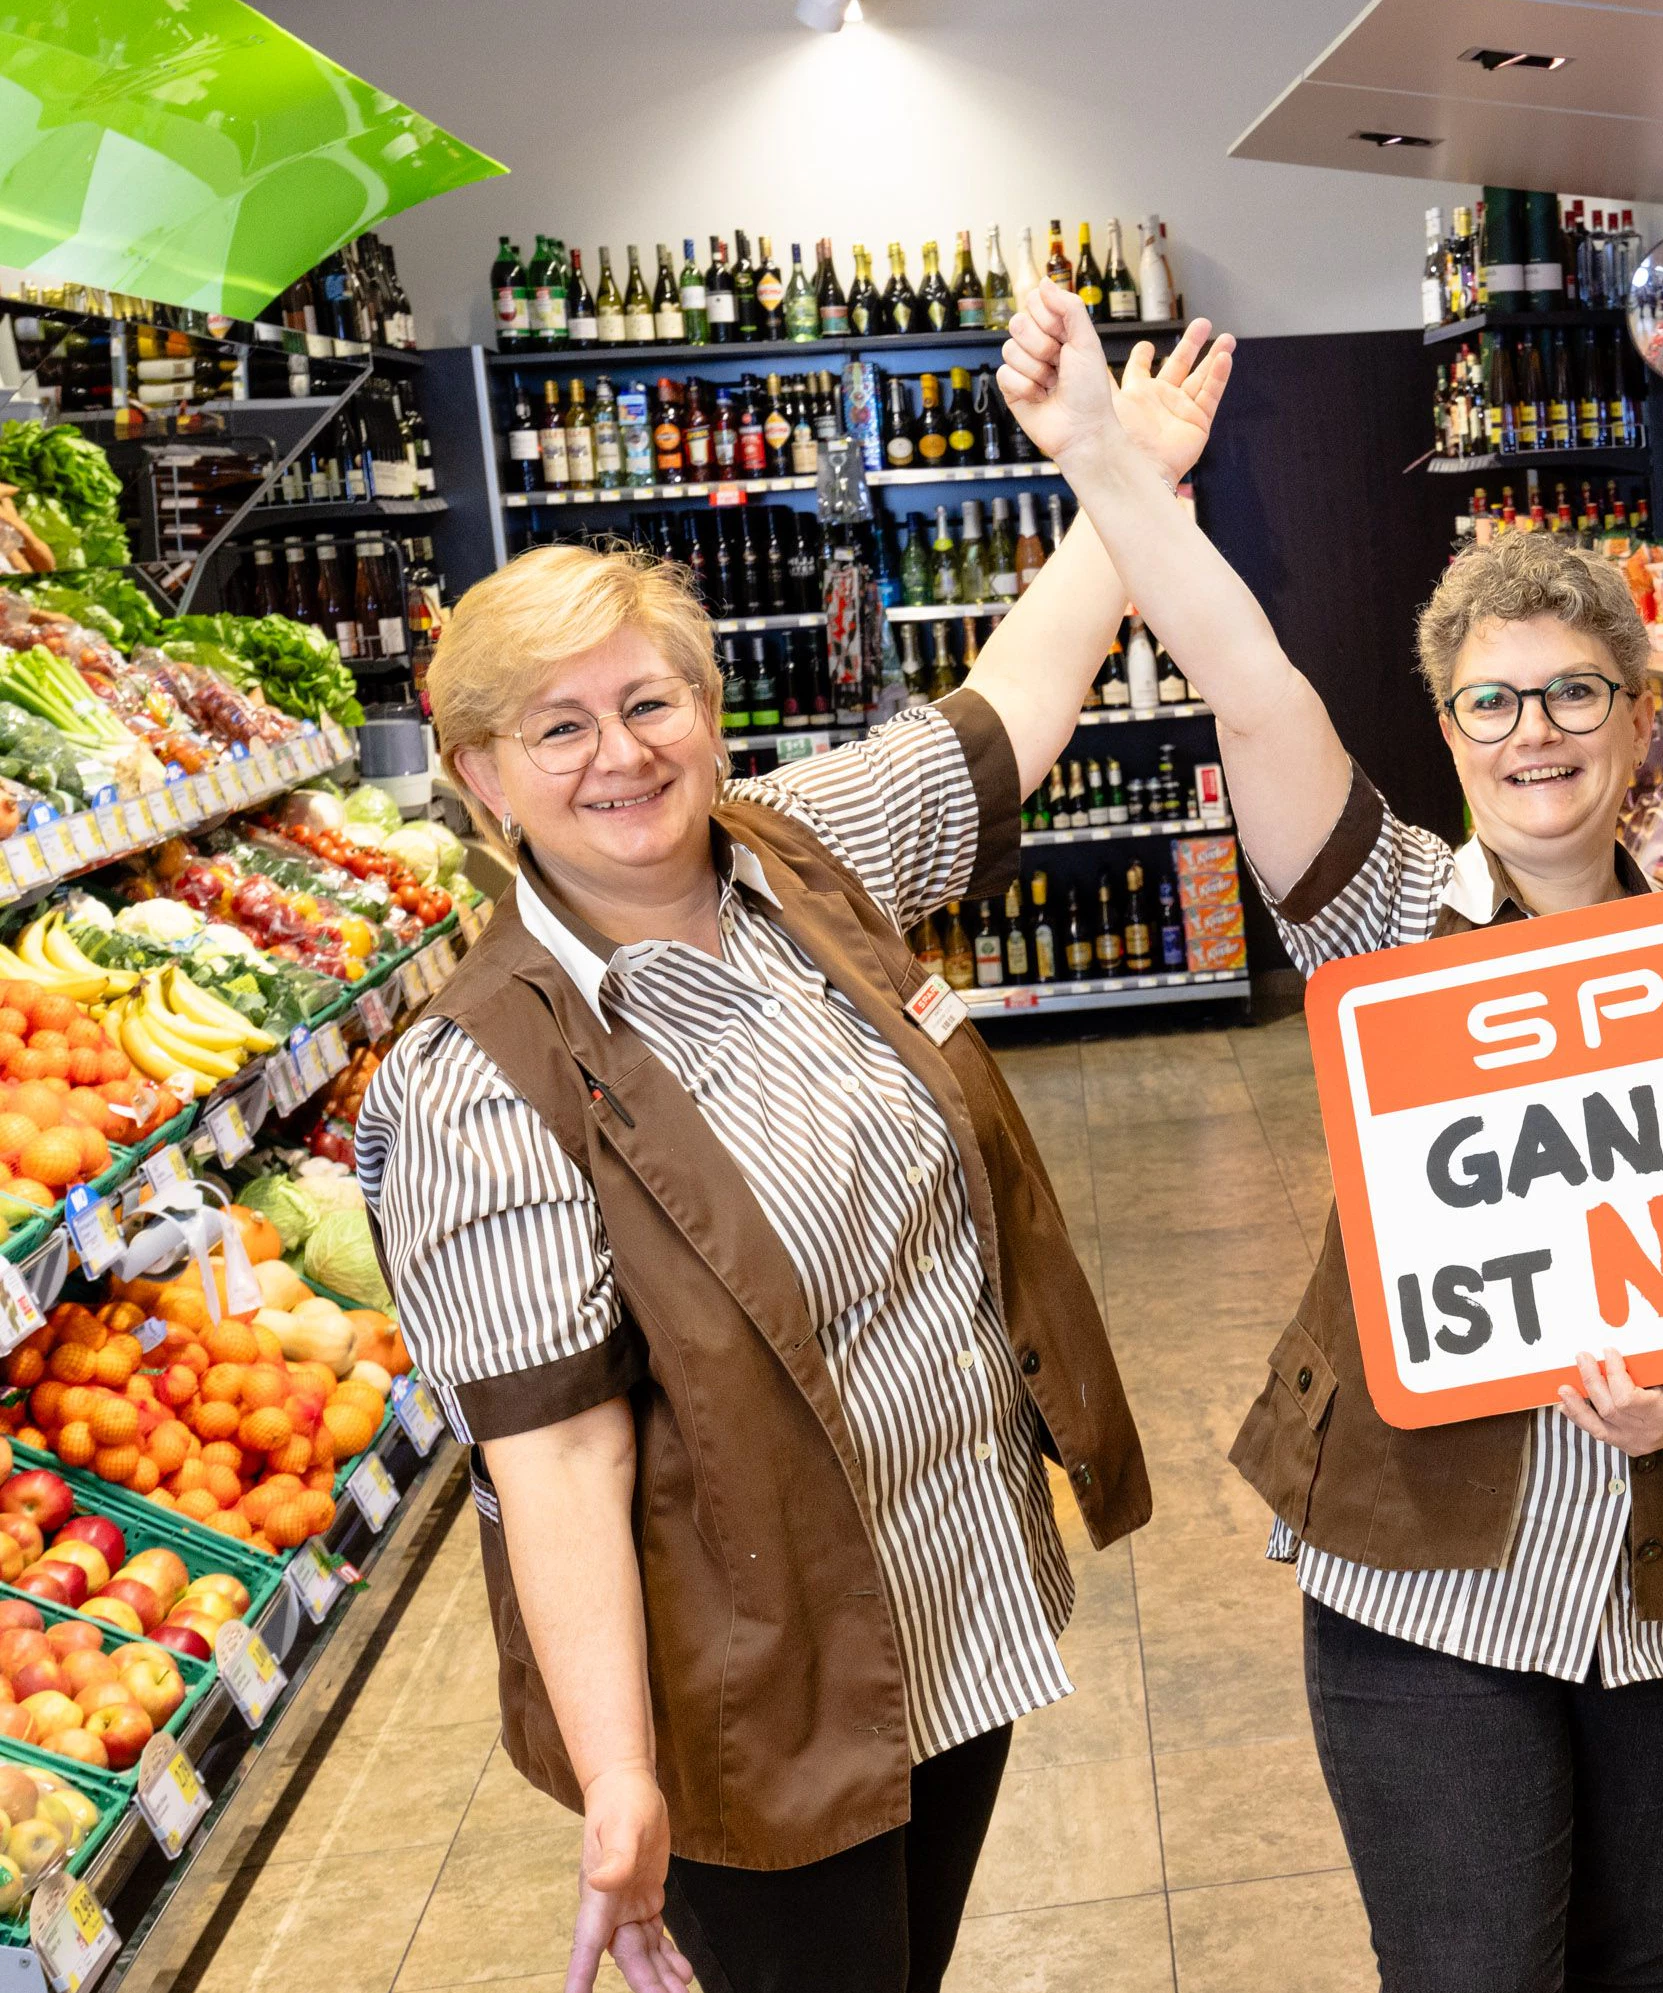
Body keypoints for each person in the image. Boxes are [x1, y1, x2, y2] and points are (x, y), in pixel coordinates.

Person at [991, 283, 1663, 1993]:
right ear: (1447, 728)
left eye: (1572, 696)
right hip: (1426, 1578)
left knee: (1645, 1959)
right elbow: (1248, 682)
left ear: (1639, 718)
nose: (1533, 734)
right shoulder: (1387, 916)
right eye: (1491, 703)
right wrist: (1106, 467)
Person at [362, 329, 1223, 1993]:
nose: (618, 755)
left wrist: (1123, 477)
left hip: (951, 1601)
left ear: (707, 706)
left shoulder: (801, 855)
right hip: (757, 1693)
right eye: (555, 729)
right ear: (477, 779)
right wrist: (621, 1778)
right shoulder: (482, 1081)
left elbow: (1013, 705)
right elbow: (552, 1466)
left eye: (648, 700)